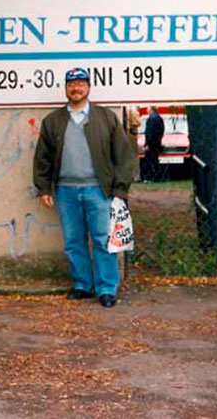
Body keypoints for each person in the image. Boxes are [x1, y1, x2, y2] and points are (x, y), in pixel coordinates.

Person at [33, 67, 135, 308]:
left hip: (99, 190)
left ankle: (107, 289)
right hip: (66, 191)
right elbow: (42, 158)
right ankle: (82, 285)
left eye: (80, 84)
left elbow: (123, 156)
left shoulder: (106, 118)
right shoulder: (53, 121)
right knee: (73, 241)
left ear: (89, 87)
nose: (75, 88)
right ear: (65, 88)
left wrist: (120, 190)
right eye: (71, 84)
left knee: (102, 240)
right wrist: (44, 188)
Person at [143, 106, 165, 182]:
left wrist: (147, 144)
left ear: (151, 109)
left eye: (148, 109)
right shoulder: (160, 118)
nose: (147, 110)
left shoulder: (151, 119)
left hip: (151, 143)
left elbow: (149, 132)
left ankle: (149, 178)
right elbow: (162, 130)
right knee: (155, 160)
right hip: (157, 142)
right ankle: (157, 177)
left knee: (149, 161)